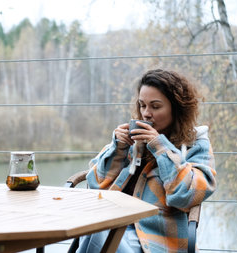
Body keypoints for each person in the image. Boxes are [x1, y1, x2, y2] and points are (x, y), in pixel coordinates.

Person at [77, 69, 217, 253]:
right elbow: (95, 185)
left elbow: (186, 196)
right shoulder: (131, 138)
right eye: (142, 105)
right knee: (96, 226)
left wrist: (160, 147)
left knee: (99, 231)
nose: (146, 114)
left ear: (176, 108)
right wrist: (117, 149)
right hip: (114, 224)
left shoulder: (195, 144)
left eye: (155, 106)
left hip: (156, 238)